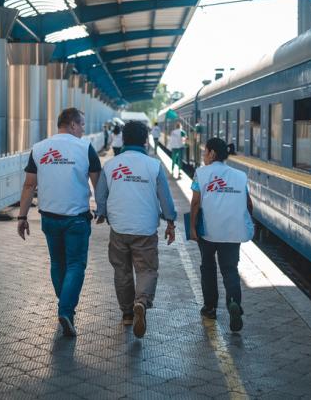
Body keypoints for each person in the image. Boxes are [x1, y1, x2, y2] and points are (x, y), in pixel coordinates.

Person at [17, 108, 101, 337]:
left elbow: (28, 186)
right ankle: (65, 309)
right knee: (75, 265)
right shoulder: (85, 148)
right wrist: (103, 210)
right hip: (76, 219)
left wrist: (22, 217)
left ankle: (65, 308)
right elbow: (98, 184)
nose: (83, 129)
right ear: (73, 124)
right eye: (81, 125)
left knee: (57, 263)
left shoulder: (40, 148)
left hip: (49, 218)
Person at [95, 121, 177, 338]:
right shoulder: (153, 166)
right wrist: (170, 222)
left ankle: (127, 314)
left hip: (119, 227)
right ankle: (141, 301)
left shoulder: (112, 165)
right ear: (144, 140)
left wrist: (101, 212)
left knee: (121, 271)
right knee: (146, 269)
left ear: (124, 138)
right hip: (145, 229)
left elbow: (100, 193)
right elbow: (165, 198)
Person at [189, 137, 254, 332]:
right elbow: (248, 203)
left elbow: (195, 203)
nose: (203, 156)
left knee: (208, 268)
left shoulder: (201, 173)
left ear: (212, 153)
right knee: (230, 270)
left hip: (208, 231)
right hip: (233, 231)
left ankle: (210, 308)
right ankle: (234, 302)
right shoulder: (240, 175)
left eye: (205, 152)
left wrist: (192, 228)